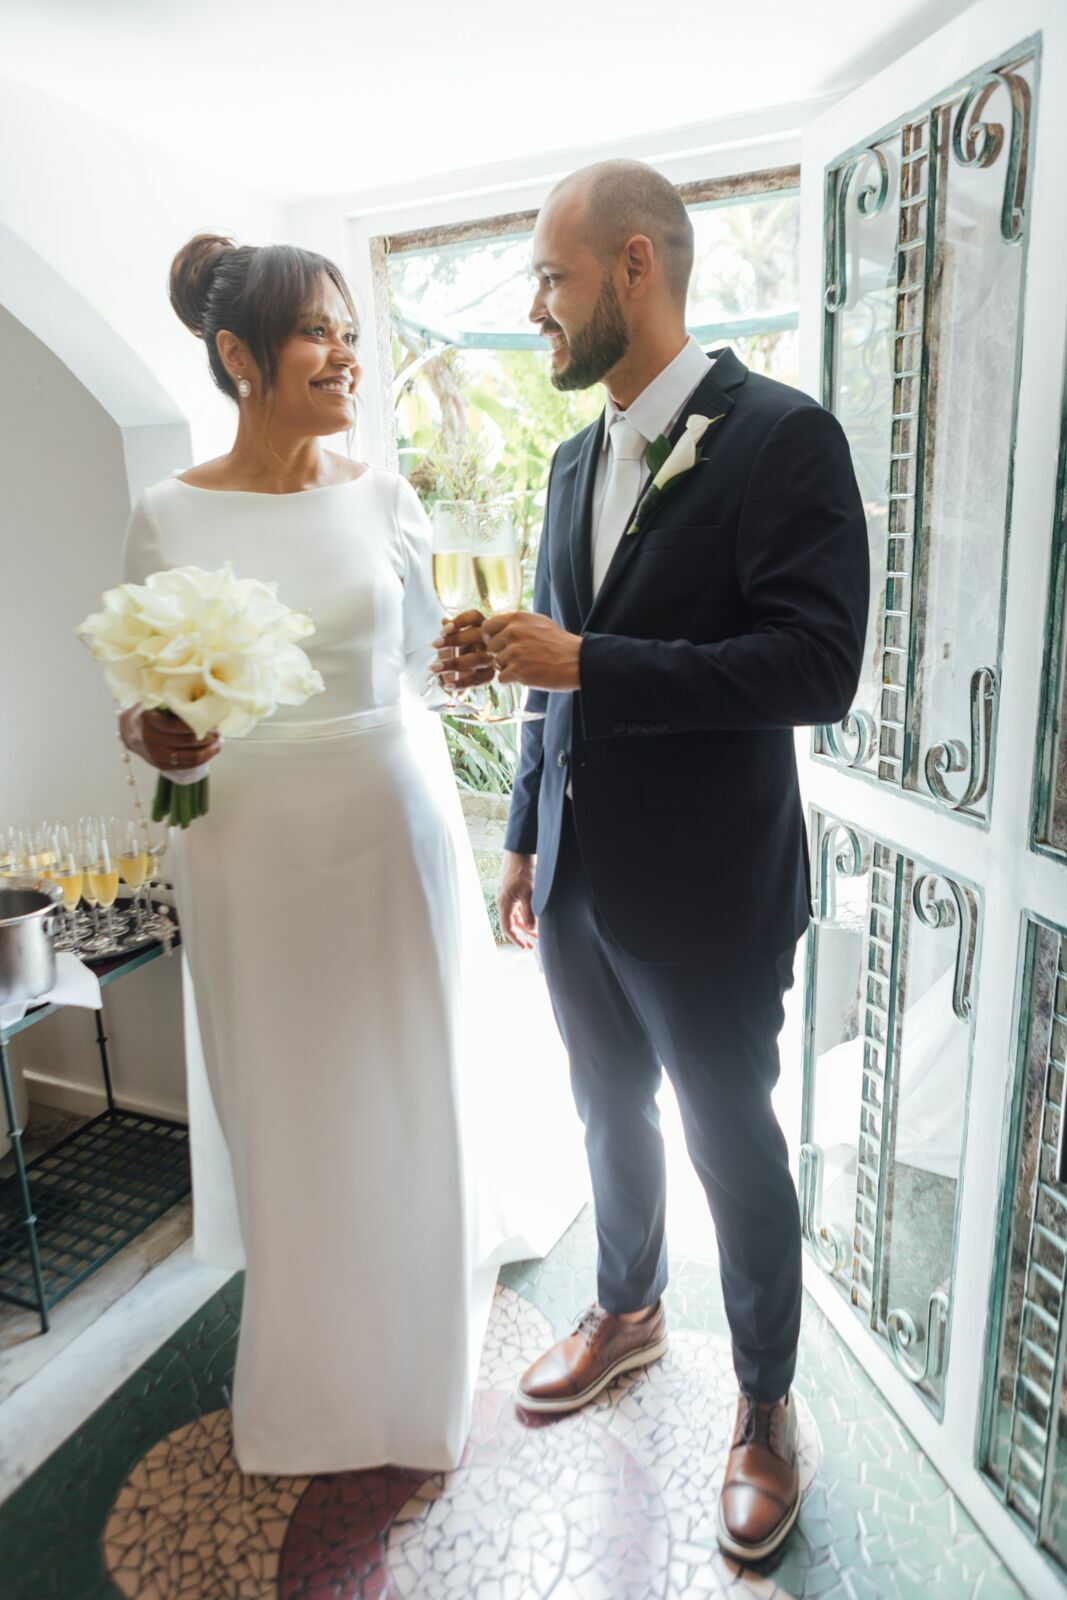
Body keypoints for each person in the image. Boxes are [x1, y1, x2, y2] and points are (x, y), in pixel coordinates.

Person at [436, 161, 869, 1562]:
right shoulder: (570, 461)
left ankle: (762, 1403)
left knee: (731, 1148)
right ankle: (625, 1308)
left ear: (634, 266)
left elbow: (815, 667)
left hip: (709, 890)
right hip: (574, 877)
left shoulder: (781, 438)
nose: (535, 308)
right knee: (602, 1111)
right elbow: (549, 672)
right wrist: (522, 832)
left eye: (549, 279)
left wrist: (593, 662)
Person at [119, 233, 581, 1474]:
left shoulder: (383, 495)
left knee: (401, 1074)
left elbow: (424, 659)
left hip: (388, 817)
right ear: (238, 355)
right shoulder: (167, 513)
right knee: (287, 1095)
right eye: (316, 333)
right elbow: (139, 697)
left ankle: (416, 1362)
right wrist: (152, 732)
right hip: (246, 840)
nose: (344, 355)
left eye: (349, 333)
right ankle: (311, 1364)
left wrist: (471, 656)